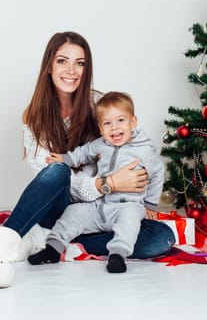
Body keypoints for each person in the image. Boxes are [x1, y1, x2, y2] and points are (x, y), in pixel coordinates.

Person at [0, 31, 175, 288]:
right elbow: (46, 177)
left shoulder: (97, 106)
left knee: (161, 238)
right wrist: (109, 183)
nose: (71, 70)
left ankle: (50, 242)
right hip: (60, 207)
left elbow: (130, 142)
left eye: (79, 63)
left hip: (101, 212)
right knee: (57, 170)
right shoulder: (34, 116)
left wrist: (137, 184)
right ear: (49, 65)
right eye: (62, 61)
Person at [27, 92, 164, 273]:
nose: (114, 128)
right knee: (73, 211)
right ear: (100, 128)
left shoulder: (144, 149)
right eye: (107, 123)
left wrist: (150, 204)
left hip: (127, 205)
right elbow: (83, 153)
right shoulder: (100, 144)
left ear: (133, 122)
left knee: (130, 221)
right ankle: (53, 248)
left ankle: (117, 255)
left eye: (120, 121)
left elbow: (158, 173)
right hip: (100, 204)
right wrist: (65, 159)